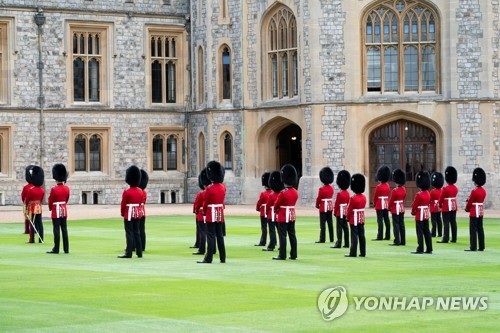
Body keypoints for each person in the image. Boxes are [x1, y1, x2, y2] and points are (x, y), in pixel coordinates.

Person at [198, 161, 226, 264]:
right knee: (220, 236)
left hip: (211, 213)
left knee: (210, 236)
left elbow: (206, 203)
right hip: (220, 213)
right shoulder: (223, 187)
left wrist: (204, 212)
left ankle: (208, 258)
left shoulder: (210, 189)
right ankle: (223, 257)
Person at [273, 164, 299, 260]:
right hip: (292, 215)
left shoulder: (283, 193)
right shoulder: (295, 192)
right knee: (292, 235)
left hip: (283, 215)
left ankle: (282, 254)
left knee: (282, 236)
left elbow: (276, 205)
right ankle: (294, 254)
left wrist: (276, 211)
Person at [118, 166, 143, 258]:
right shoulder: (141, 191)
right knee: (137, 232)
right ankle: (139, 252)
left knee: (129, 233)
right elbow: (140, 203)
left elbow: (123, 204)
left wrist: (122, 212)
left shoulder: (127, 192)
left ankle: (128, 253)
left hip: (128, 213)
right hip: (137, 213)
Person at [47, 164, 70, 254]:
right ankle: (66, 249)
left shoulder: (54, 189)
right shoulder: (66, 188)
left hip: (56, 211)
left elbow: (50, 200)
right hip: (64, 210)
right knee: (64, 229)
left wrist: (50, 208)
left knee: (56, 230)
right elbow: (67, 199)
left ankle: (56, 248)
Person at [464, 168, 487, 252]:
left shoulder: (474, 191)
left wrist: (467, 208)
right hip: (480, 211)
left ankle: (473, 246)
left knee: (473, 229)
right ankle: (481, 246)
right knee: (480, 228)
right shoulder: (483, 191)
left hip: (474, 211)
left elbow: (470, 201)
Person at [345, 173, 367, 257]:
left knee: (354, 236)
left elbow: (349, 209)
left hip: (354, 219)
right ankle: (363, 252)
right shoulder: (364, 197)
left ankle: (353, 252)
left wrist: (347, 217)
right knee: (361, 235)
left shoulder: (353, 198)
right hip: (361, 218)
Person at [411, 171, 432, 254]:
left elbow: (415, 205)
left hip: (420, 214)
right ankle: (429, 248)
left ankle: (420, 248)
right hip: (426, 214)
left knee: (419, 232)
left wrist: (413, 212)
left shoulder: (419, 194)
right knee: (427, 231)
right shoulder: (428, 193)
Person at [262, 171, 283, 252]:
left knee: (272, 231)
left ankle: (272, 245)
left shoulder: (272, 195)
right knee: (280, 231)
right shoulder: (281, 194)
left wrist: (267, 213)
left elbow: (268, 206)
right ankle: (282, 245)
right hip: (279, 215)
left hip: (271, 215)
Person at [438, 166, 458, 243]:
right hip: (453, 206)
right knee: (453, 222)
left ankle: (445, 238)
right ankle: (454, 238)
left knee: (446, 222)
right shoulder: (455, 188)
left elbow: (441, 198)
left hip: (446, 206)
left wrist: (440, 205)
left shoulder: (445, 189)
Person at [24, 166, 45, 244]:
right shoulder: (42, 190)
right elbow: (41, 199)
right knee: (40, 223)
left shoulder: (31, 190)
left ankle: (32, 239)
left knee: (32, 223)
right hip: (39, 207)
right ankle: (41, 239)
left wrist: (26, 207)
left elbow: (27, 200)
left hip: (32, 208)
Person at [193, 168, 210, 255]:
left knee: (202, 232)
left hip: (201, 214)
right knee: (212, 234)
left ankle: (201, 249)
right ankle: (212, 249)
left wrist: (195, 211)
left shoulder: (201, 194)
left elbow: (197, 204)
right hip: (211, 214)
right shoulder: (217, 190)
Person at [331, 170, 350, 249]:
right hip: (345, 211)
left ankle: (339, 242)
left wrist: (335, 212)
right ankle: (347, 243)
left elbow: (337, 204)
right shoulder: (348, 193)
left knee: (339, 229)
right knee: (345, 228)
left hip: (339, 212)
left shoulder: (340, 194)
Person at [315, 167, 335, 243]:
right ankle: (332, 238)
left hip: (323, 207)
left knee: (322, 224)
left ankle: (322, 239)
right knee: (330, 223)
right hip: (330, 207)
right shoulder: (331, 188)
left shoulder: (322, 189)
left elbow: (319, 198)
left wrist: (317, 205)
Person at [388, 168, 406, 246]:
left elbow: (391, 200)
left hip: (395, 209)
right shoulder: (404, 189)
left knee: (396, 225)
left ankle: (397, 240)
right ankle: (403, 240)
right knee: (402, 224)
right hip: (401, 208)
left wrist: (389, 207)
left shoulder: (395, 191)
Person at [372, 166, 391, 241]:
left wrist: (374, 203)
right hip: (386, 203)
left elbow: (376, 197)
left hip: (380, 204)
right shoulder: (387, 185)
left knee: (380, 220)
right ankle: (387, 235)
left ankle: (380, 236)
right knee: (386, 219)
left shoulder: (378, 187)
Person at [255, 172, 271, 246]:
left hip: (264, 212)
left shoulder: (263, 194)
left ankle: (263, 241)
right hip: (272, 212)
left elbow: (259, 203)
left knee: (264, 228)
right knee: (272, 229)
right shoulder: (273, 193)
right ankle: (273, 241)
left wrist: (257, 208)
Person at [429, 172, 444, 237]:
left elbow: (429, 199)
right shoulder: (442, 190)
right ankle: (440, 233)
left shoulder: (432, 191)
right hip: (439, 207)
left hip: (433, 207)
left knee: (433, 221)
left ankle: (433, 233)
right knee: (439, 220)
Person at [21, 165, 34, 235]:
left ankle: (27, 230)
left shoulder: (26, 187)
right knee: (35, 219)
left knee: (27, 218)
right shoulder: (37, 187)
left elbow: (23, 196)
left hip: (27, 204)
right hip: (36, 205)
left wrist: (25, 202)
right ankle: (34, 230)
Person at [138, 169, 148, 252]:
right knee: (141, 230)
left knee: (135, 230)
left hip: (134, 213)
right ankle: (142, 246)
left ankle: (135, 245)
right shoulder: (144, 192)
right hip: (142, 212)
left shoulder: (137, 191)